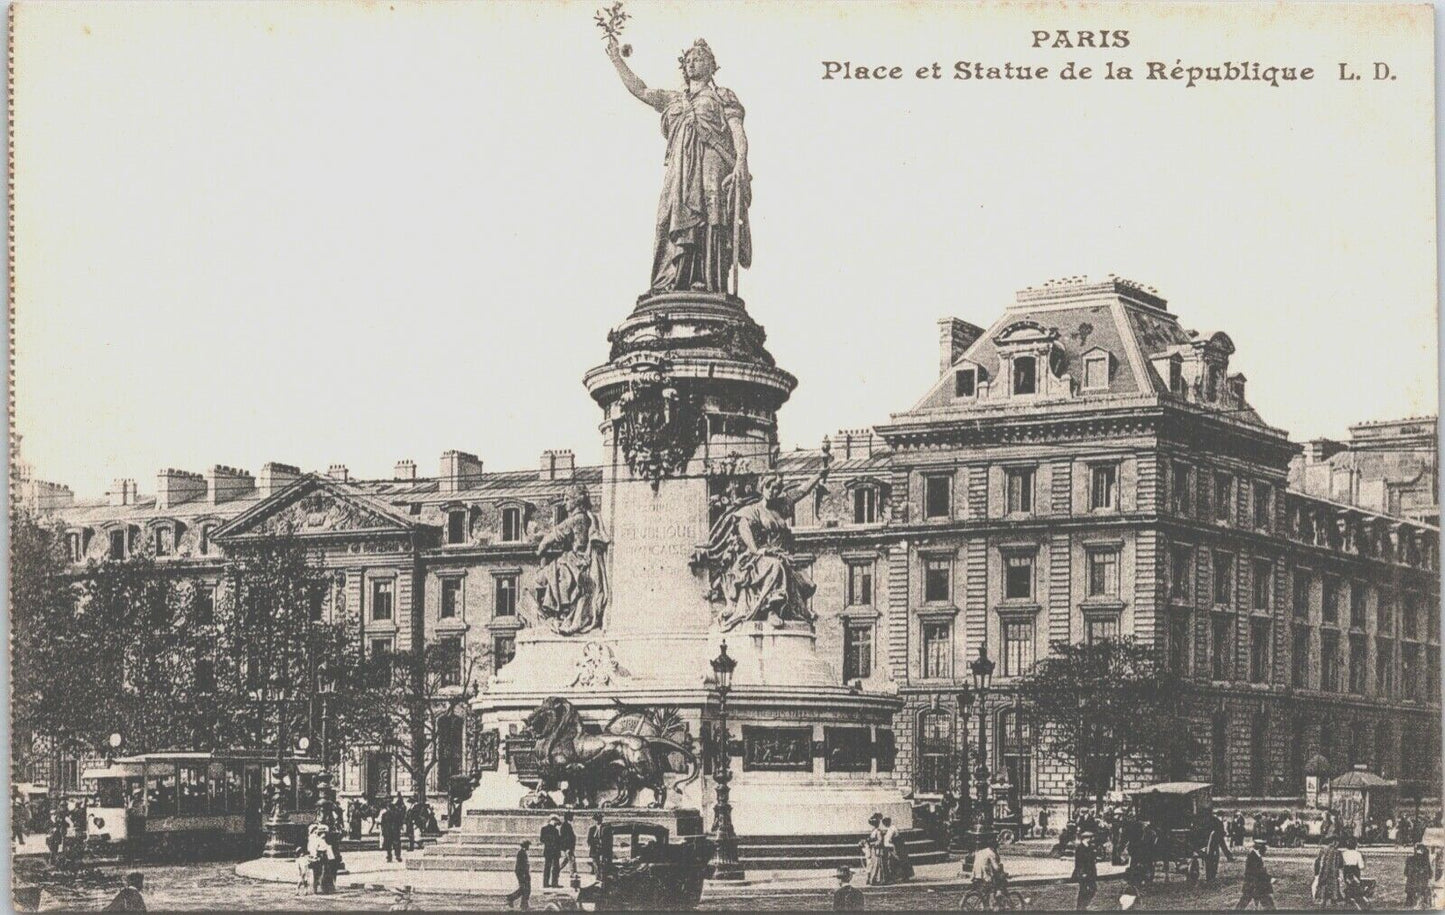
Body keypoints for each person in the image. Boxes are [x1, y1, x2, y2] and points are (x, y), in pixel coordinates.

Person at [604, 33, 752, 294]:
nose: (693, 63)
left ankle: (707, 281)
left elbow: (737, 130)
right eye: (689, 60)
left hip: (711, 162)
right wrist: (617, 59)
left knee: (710, 215)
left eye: (700, 58)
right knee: (669, 215)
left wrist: (741, 160)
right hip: (679, 171)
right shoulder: (673, 100)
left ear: (711, 65)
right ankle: (673, 280)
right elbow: (640, 89)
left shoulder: (722, 96)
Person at [970, 834, 1009, 909]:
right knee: (998, 883)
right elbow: (996, 868)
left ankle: (985, 904)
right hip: (984, 876)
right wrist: (1003, 873)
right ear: (994, 847)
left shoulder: (980, 851)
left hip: (976, 875)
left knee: (985, 891)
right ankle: (996, 897)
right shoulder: (991, 853)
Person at [1237, 839, 1275, 910]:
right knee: (1269, 905)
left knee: (1242, 904)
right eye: (1264, 848)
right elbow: (1257, 872)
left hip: (1253, 885)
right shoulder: (1253, 857)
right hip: (1255, 885)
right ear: (1259, 848)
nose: (1265, 850)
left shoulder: (1255, 856)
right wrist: (1269, 879)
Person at [1313, 837, 1344, 908]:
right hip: (1333, 874)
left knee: (1323, 888)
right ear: (1334, 842)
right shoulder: (1338, 852)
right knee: (1333, 891)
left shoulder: (1323, 850)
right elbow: (1340, 865)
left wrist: (1316, 873)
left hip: (1324, 873)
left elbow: (1317, 862)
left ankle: (1322, 901)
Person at [1204, 812, 1234, 882]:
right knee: (1214, 860)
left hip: (1206, 844)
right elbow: (1221, 836)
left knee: (1208, 860)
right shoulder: (1217, 821)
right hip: (1215, 843)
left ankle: (1208, 876)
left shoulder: (1206, 820)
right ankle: (1212, 876)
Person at [1073, 828, 1098, 911]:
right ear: (1086, 838)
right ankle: (1081, 907)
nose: (1092, 840)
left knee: (1093, 888)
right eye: (1091, 838)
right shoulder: (1080, 848)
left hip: (1091, 872)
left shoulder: (1089, 847)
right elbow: (1079, 862)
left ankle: (1083, 905)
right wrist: (1082, 872)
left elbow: (1092, 859)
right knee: (1083, 890)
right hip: (1083, 873)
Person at [881, 816, 911, 881]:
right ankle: (900, 876)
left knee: (898, 861)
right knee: (897, 861)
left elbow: (888, 839)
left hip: (895, 846)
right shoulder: (892, 828)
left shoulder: (891, 829)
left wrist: (888, 845)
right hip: (896, 845)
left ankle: (903, 876)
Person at [861, 813, 886, 886]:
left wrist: (872, 844)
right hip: (873, 850)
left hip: (877, 850)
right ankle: (872, 879)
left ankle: (876, 879)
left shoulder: (878, 831)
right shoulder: (874, 831)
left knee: (877, 865)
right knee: (873, 865)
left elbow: (879, 841)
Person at [506, 839, 532, 910]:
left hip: (523, 873)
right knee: (525, 889)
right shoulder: (521, 853)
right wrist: (525, 874)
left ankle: (523, 904)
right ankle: (512, 898)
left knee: (525, 889)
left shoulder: (522, 852)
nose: (529, 847)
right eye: (528, 845)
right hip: (522, 873)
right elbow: (522, 865)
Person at [1404, 843, 1432, 908]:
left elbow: (1405, 873)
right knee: (1423, 902)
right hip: (1421, 886)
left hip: (1411, 885)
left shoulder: (1409, 859)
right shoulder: (1425, 861)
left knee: (1409, 902)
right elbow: (1430, 874)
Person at [540, 815, 563, 888]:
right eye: (556, 822)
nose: (557, 824)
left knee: (548, 867)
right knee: (554, 868)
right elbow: (558, 841)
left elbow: (542, 839)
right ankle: (554, 883)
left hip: (548, 850)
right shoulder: (555, 830)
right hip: (554, 851)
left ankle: (546, 883)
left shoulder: (544, 829)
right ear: (553, 821)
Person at [379, 797, 404, 863]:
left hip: (388, 832)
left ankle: (389, 857)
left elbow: (382, 824)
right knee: (397, 844)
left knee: (388, 845)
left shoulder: (385, 814)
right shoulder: (397, 814)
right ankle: (397, 855)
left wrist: (383, 832)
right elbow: (400, 822)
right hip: (395, 831)